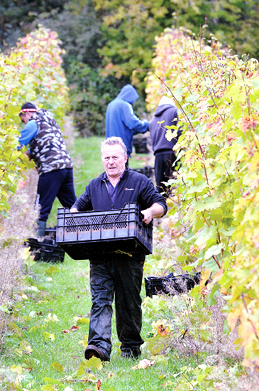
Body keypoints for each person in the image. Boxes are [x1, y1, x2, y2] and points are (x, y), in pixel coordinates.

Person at [70, 137, 167, 361]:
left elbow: (160, 203)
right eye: (107, 158)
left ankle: (131, 348)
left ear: (125, 158)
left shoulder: (139, 181)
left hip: (130, 254)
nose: (111, 162)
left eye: (115, 157)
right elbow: (77, 208)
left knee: (128, 302)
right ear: (102, 160)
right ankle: (98, 347)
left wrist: (150, 212)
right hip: (100, 255)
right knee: (100, 300)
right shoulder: (95, 185)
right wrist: (74, 218)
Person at [18, 102, 76, 237]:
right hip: (66, 167)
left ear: (27, 113)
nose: (24, 124)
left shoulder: (33, 123)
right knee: (72, 205)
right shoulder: (50, 122)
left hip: (51, 170)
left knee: (40, 208)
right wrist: (31, 154)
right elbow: (47, 145)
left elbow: (17, 145)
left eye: (23, 120)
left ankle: (36, 243)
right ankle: (85, 234)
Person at [148, 96, 182, 196]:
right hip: (171, 153)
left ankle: (162, 210)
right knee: (175, 185)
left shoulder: (153, 119)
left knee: (160, 189)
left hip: (158, 156)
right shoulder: (174, 111)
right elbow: (180, 130)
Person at [105, 84, 148, 157]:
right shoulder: (124, 105)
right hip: (121, 147)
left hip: (110, 146)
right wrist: (146, 124)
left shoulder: (111, 105)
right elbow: (133, 123)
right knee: (122, 168)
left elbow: (121, 127)